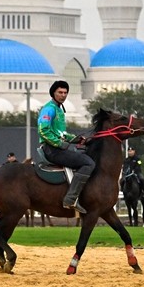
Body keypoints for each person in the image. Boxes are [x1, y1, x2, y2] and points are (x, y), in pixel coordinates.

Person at [38, 79, 94, 213]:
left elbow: (61, 134)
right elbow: (43, 130)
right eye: (60, 92)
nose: (63, 95)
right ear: (53, 93)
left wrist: (77, 139)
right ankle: (70, 199)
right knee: (88, 163)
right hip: (51, 150)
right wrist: (59, 143)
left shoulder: (59, 109)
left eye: (65, 93)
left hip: (56, 148)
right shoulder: (49, 109)